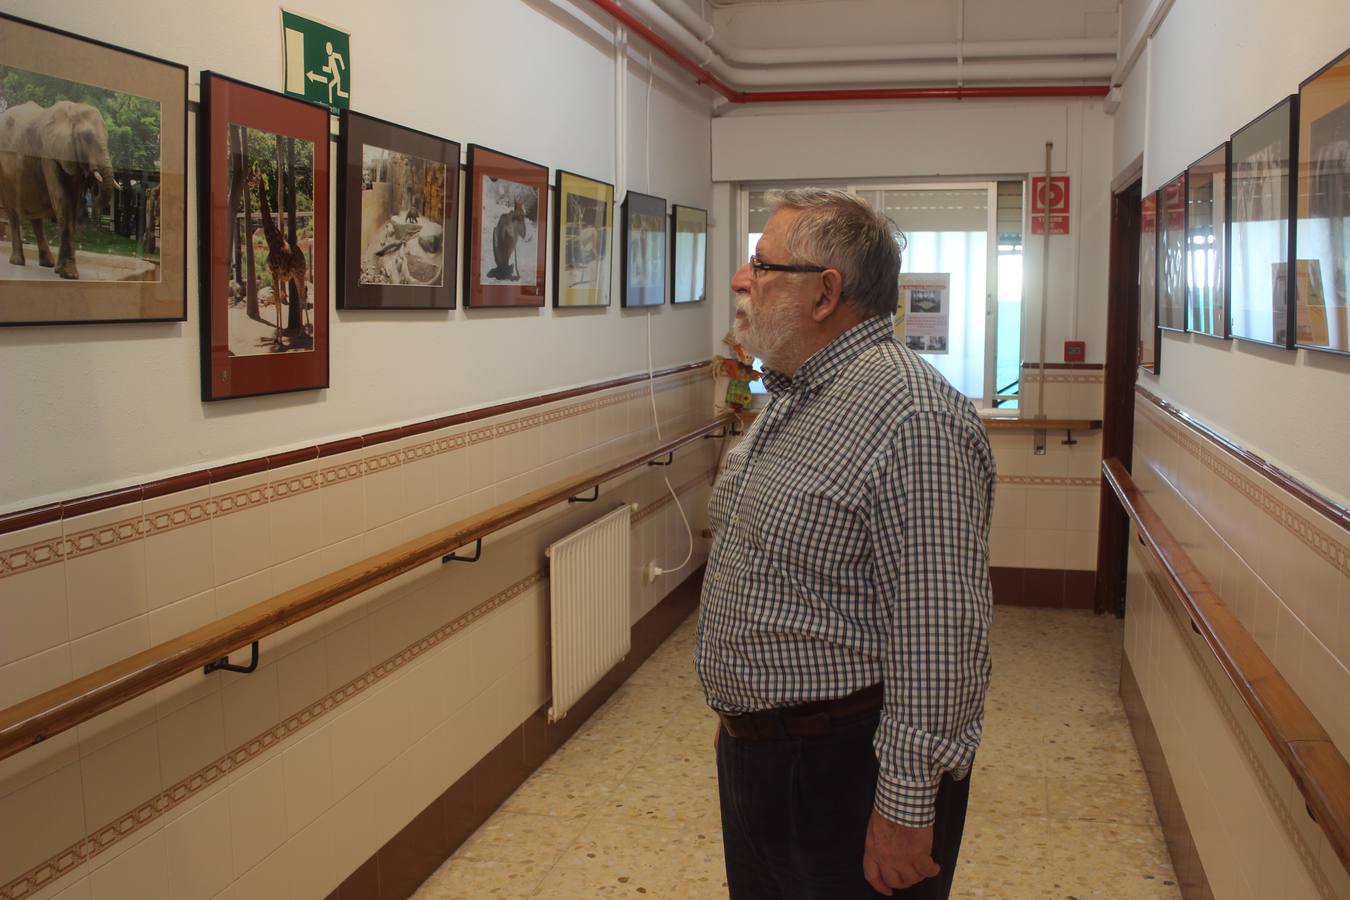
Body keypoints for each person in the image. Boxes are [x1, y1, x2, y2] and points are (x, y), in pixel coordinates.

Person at [695, 189, 994, 899]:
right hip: (766, 755)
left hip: (845, 770)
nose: (742, 281)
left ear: (825, 293)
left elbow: (939, 634)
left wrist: (906, 806)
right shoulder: (796, 395)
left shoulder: (913, 418)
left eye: (762, 265)